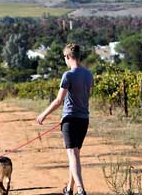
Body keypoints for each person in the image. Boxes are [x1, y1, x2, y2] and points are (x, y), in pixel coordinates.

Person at [36, 43, 93, 195]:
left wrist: (43, 114)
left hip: (70, 119)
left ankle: (81, 190)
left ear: (68, 57)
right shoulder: (89, 74)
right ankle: (69, 189)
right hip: (83, 119)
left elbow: (58, 100)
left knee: (73, 155)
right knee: (75, 155)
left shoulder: (68, 75)